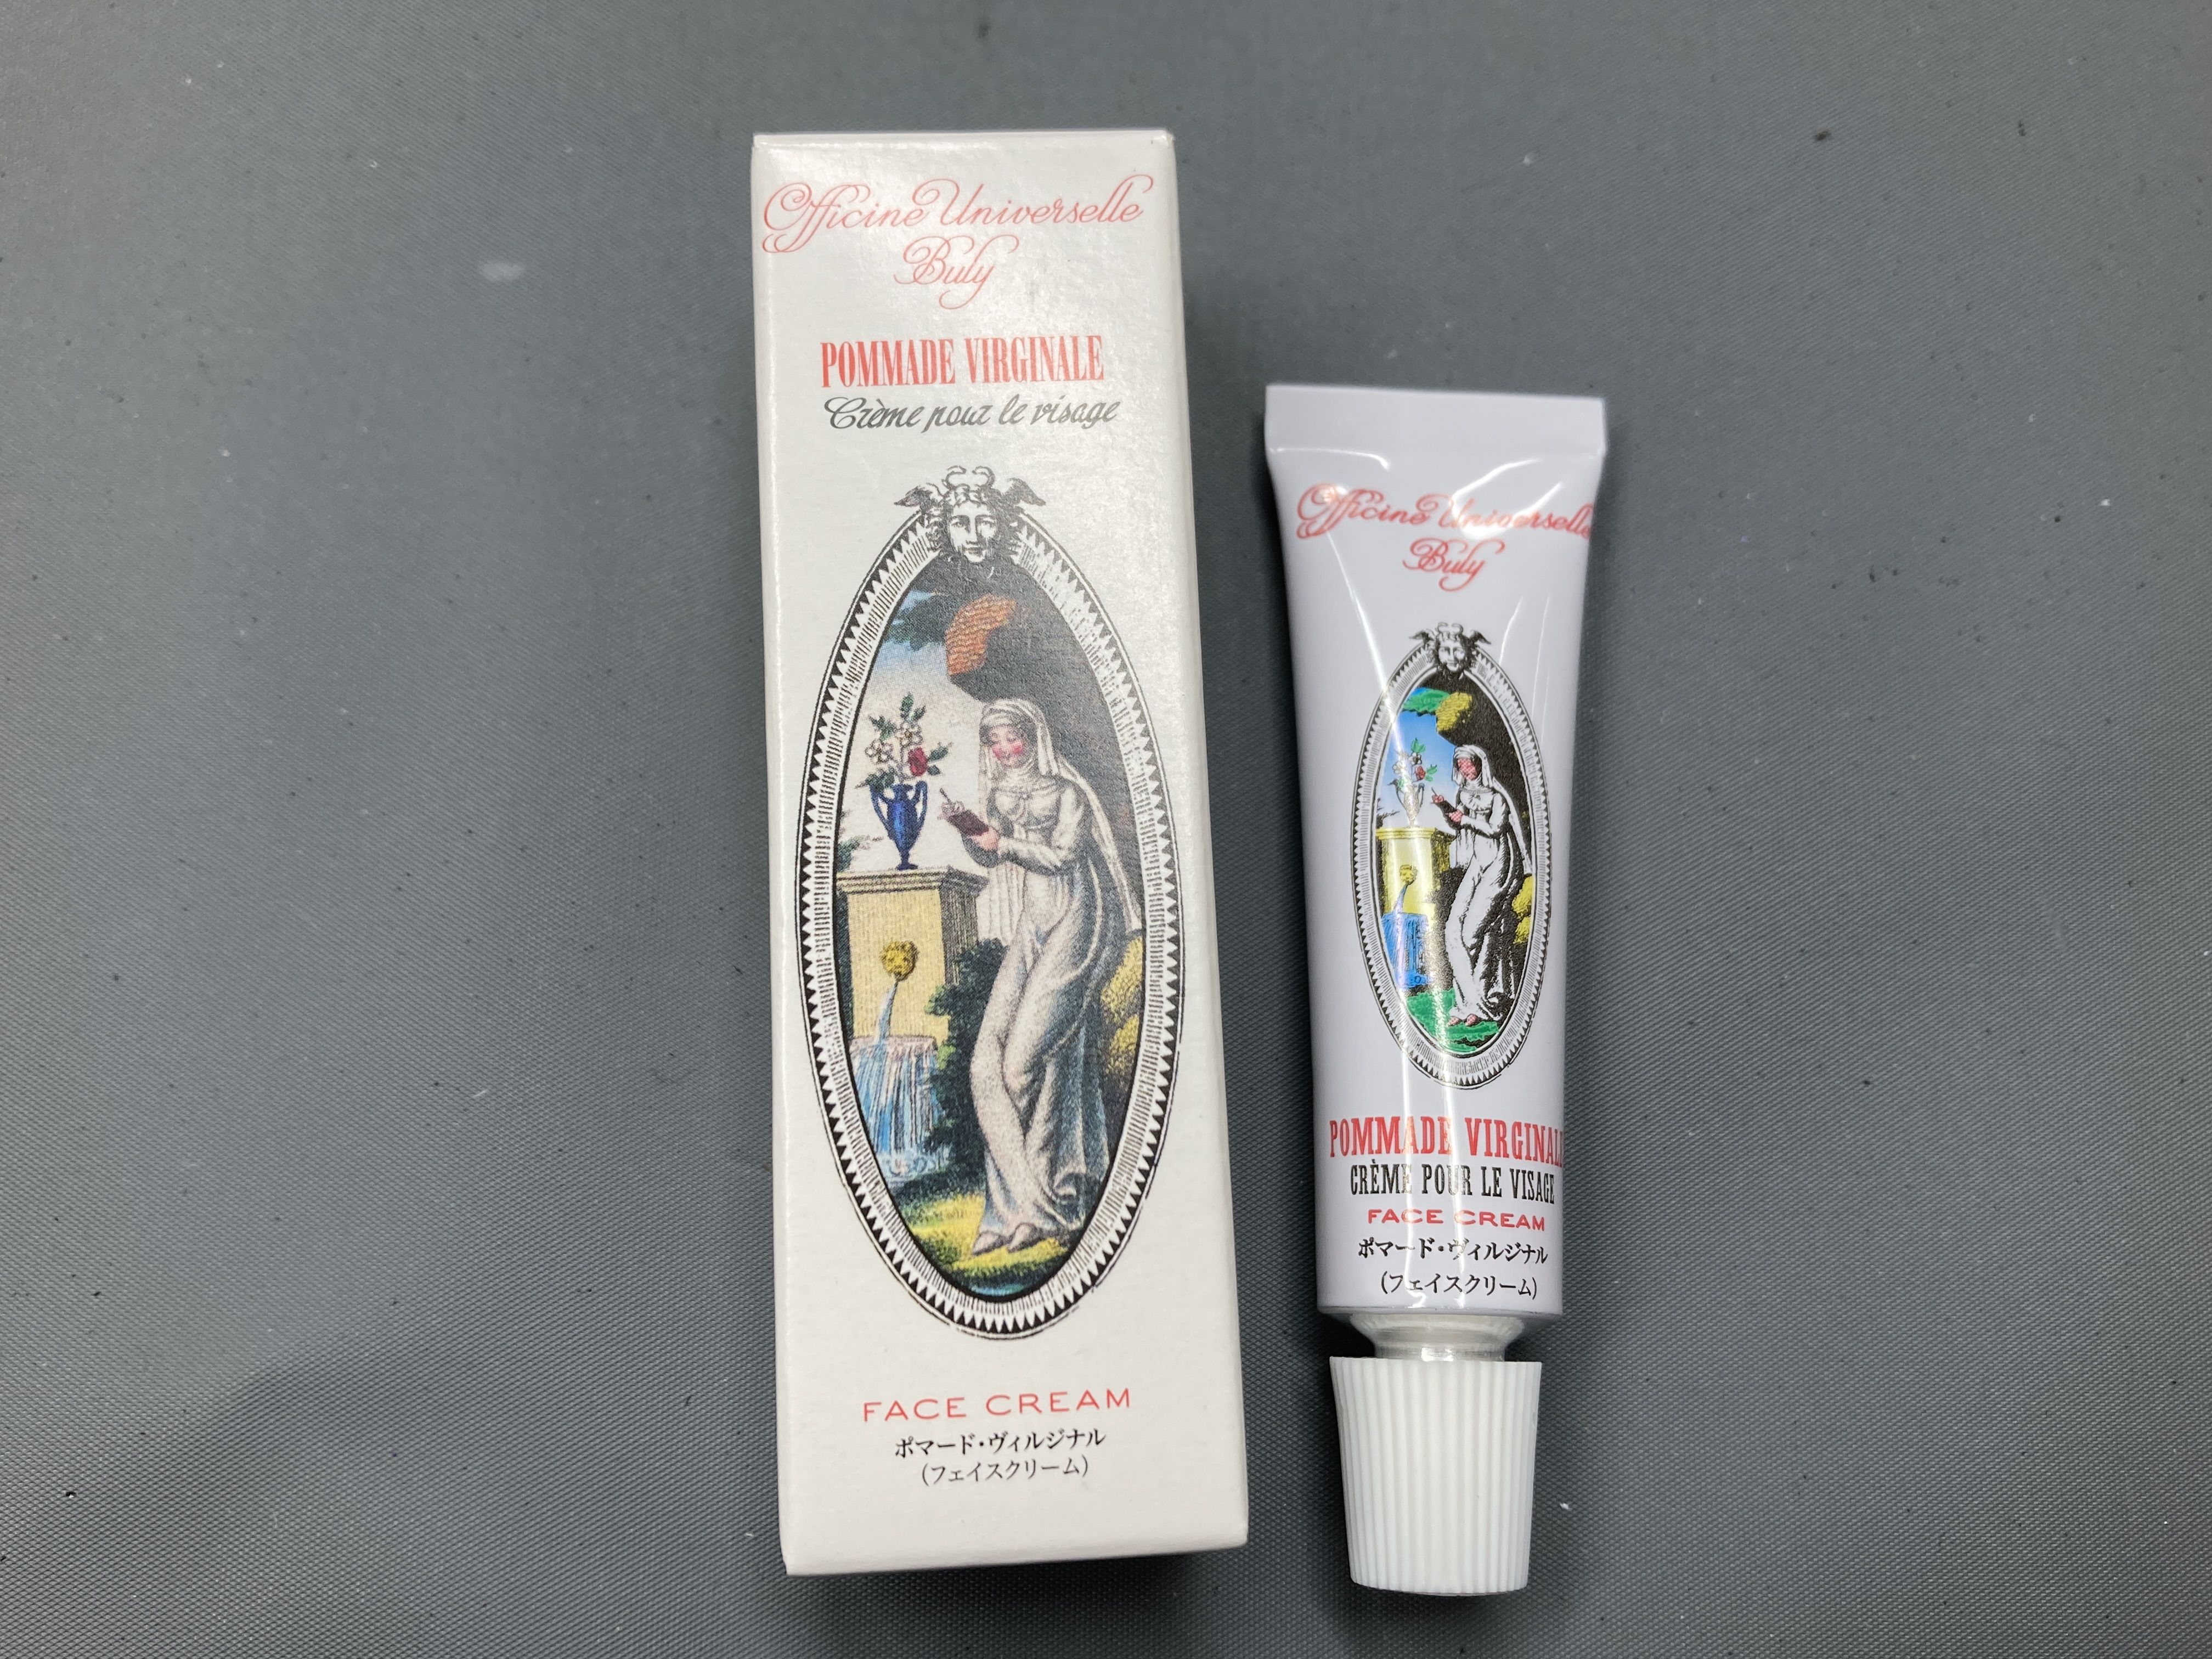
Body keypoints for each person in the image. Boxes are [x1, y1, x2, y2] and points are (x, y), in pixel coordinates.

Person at [955, 699, 1139, 1255]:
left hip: (1076, 921)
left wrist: (1003, 844)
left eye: (1012, 738)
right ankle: (1010, 1212)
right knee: (985, 1063)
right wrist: (970, 831)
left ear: (1034, 736)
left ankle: (1038, 1209)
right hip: (1031, 925)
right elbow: (991, 860)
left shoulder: (1068, 793)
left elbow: (1062, 858)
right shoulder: (998, 794)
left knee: (1020, 1066)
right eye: (995, 742)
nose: (1005, 750)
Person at [1439, 744, 1530, 1027]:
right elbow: (1459, 826)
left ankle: (1476, 1006)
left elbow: (1495, 828)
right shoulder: (1463, 794)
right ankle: (1466, 1004)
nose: (1465, 769)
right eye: (1461, 765)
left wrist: (1465, 819)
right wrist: (1446, 809)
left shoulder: (1497, 797)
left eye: (1469, 763)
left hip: (1499, 863)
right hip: (1478, 861)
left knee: (1472, 934)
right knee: (1453, 928)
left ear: (1480, 764)